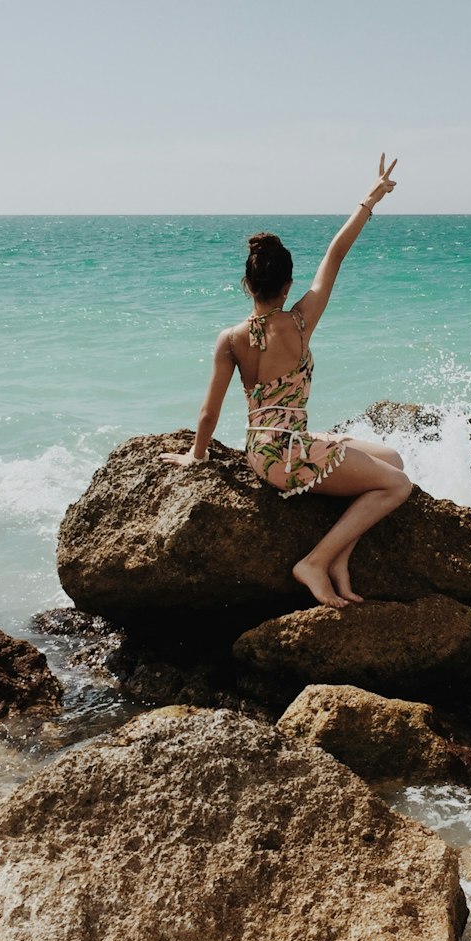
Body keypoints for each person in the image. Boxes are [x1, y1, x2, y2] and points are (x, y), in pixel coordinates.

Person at [161, 155, 412, 608]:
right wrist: (371, 198)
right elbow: (336, 253)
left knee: (391, 456)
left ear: (248, 284)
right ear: (288, 283)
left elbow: (208, 411)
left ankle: (339, 557)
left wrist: (195, 455)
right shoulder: (299, 322)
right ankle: (314, 562)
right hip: (291, 457)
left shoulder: (230, 338)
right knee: (398, 485)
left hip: (264, 451)